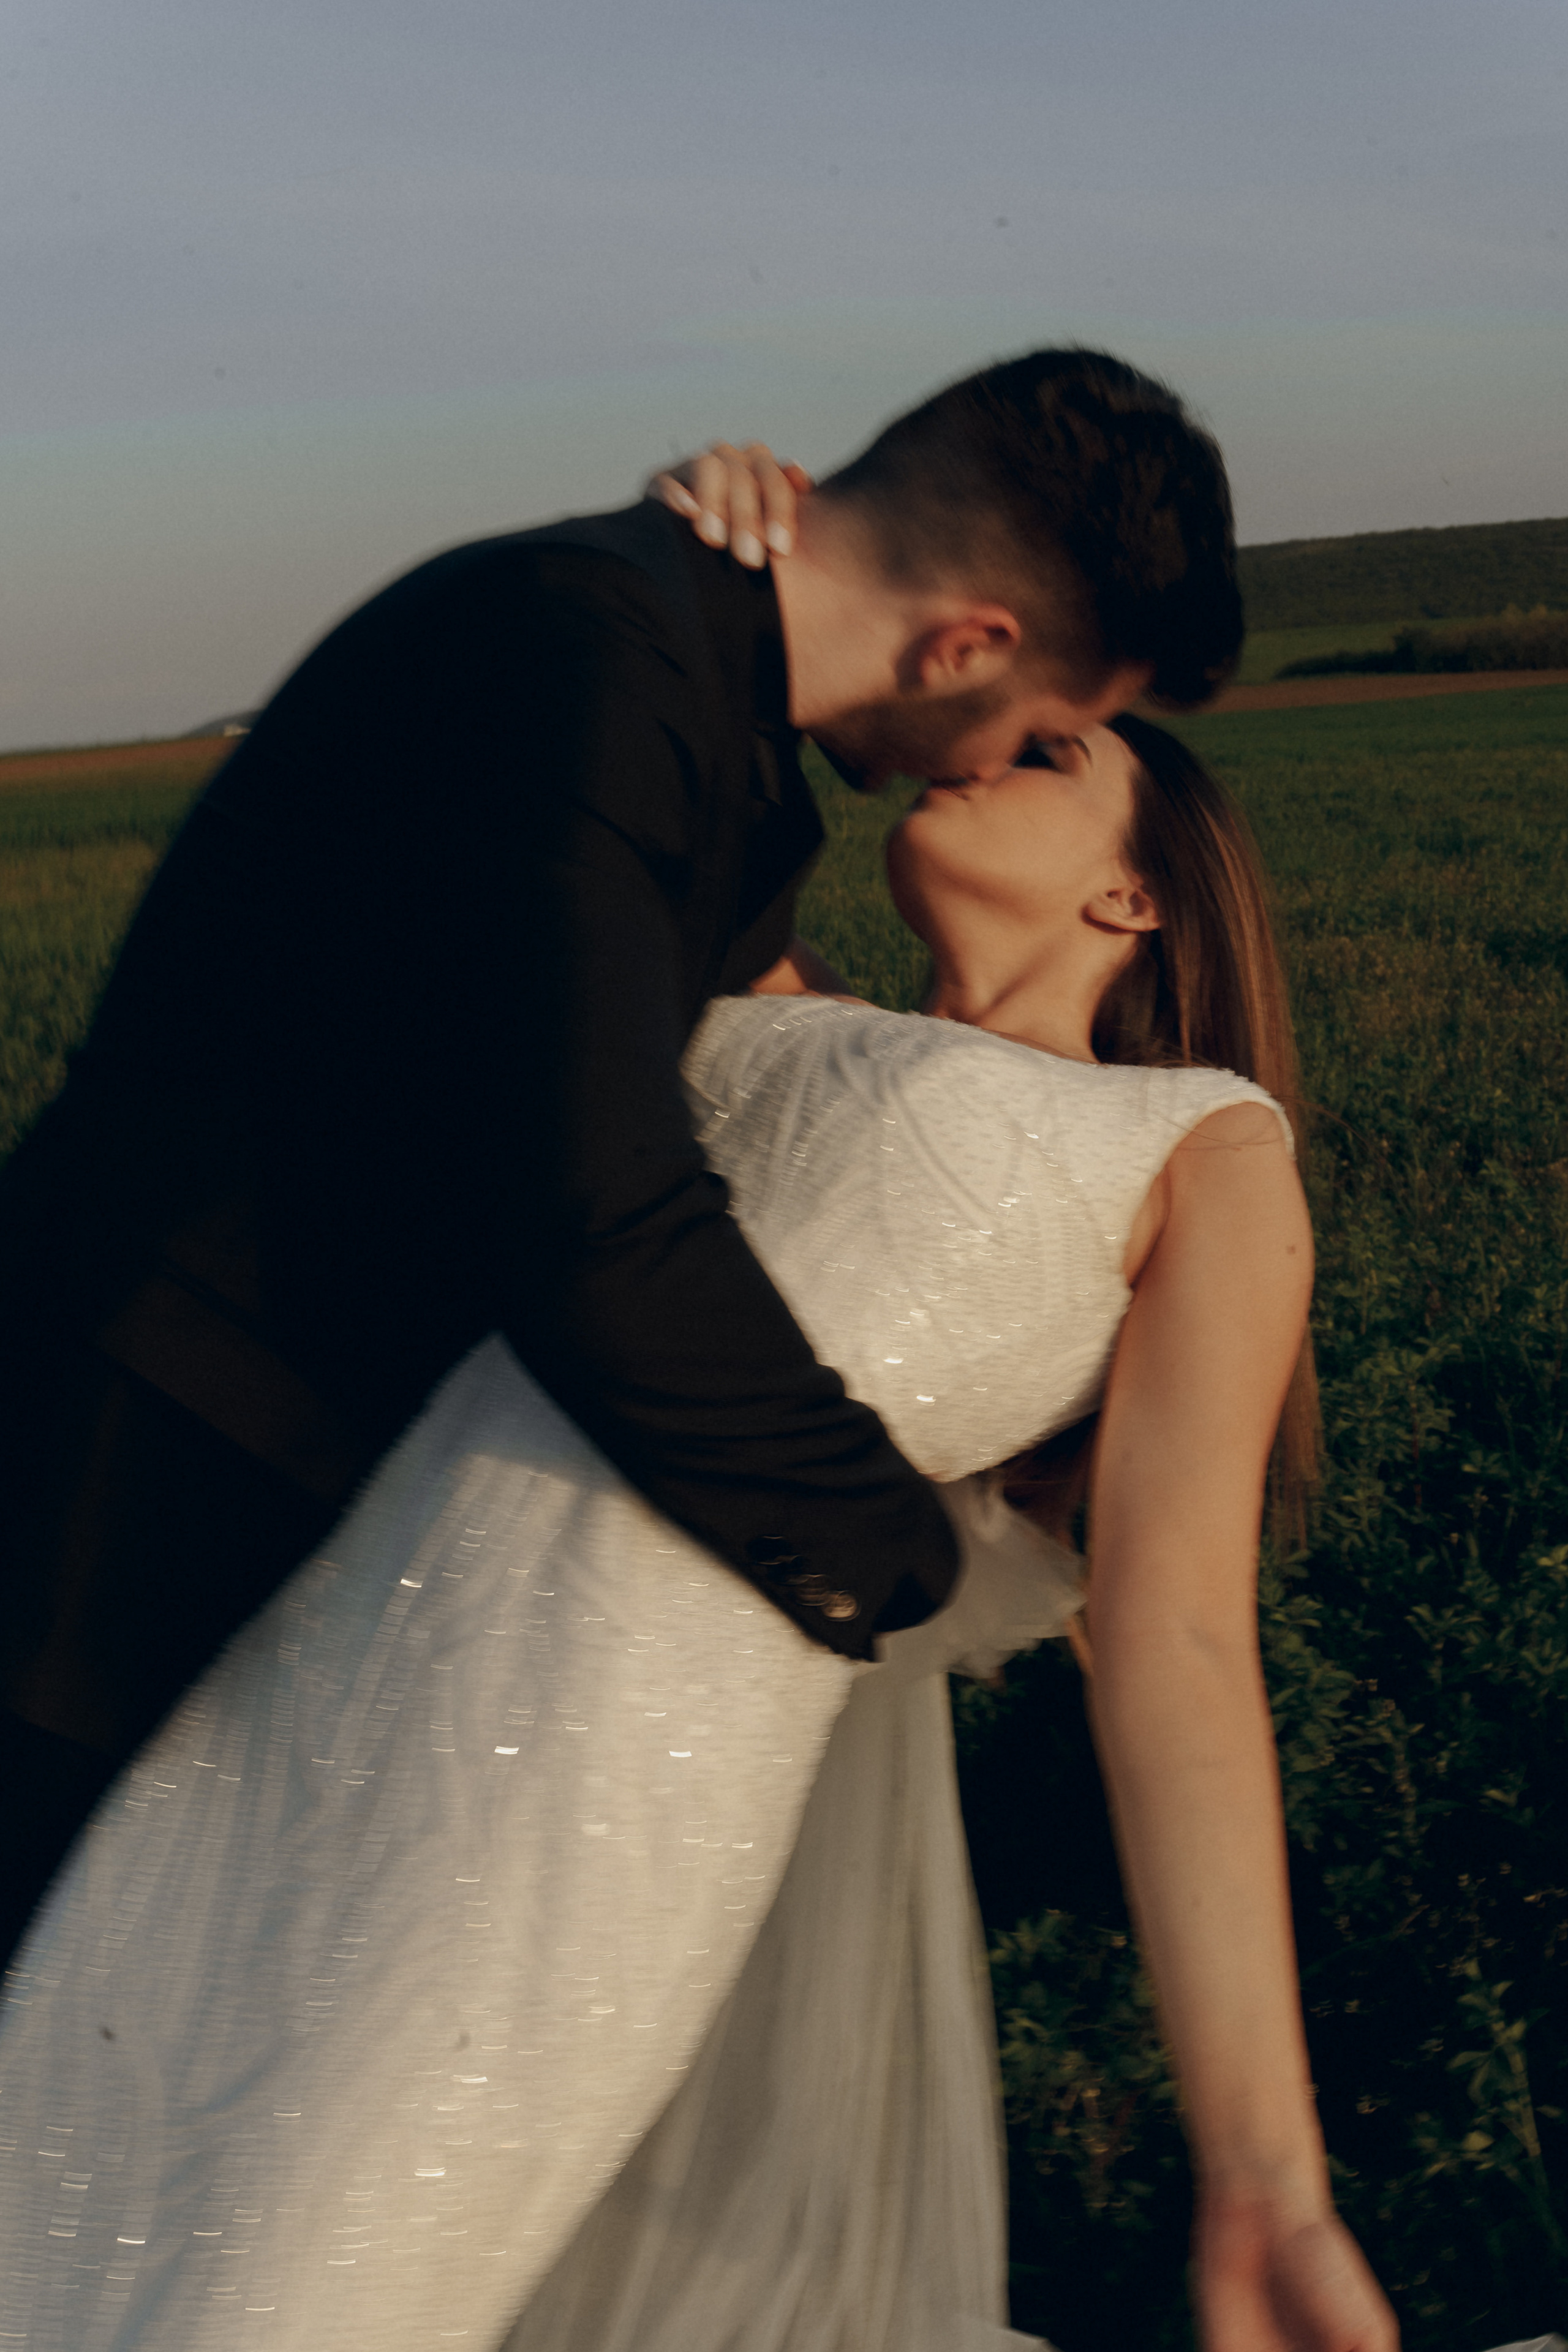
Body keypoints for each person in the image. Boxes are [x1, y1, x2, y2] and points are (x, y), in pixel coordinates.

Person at [0, 705, 1401, 2350]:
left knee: (290, 2278)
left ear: (1137, 899)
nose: (975, 751)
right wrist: (728, 552)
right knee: (78, 2156)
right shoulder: (773, 1007)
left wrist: (1266, 2179)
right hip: (293, 1675)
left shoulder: (1199, 1141)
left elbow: (1175, 1641)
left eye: (1046, 757)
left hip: (591, 1787)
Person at [0, 349, 1243, 1970]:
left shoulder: (696, 699)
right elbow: (597, 1223)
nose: (986, 763)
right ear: (965, 645)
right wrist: (922, 1573)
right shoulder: (584, 656)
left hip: (290, 1515)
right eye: (1044, 724)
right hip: (104, 1480)